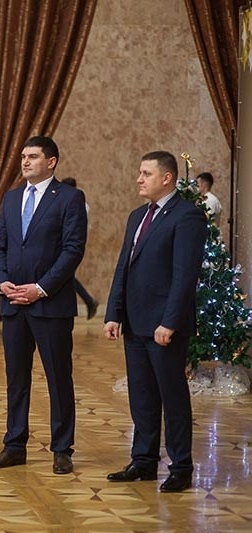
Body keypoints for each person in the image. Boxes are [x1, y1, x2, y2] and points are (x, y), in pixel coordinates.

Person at [103, 151, 207, 493]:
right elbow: (124, 267)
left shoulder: (187, 216)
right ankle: (143, 462)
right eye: (139, 172)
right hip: (134, 323)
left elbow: (185, 275)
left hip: (165, 326)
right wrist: (113, 313)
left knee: (172, 397)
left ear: (167, 178)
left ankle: (181, 467)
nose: (139, 178)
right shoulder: (137, 216)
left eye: (146, 173)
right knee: (142, 396)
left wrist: (170, 322)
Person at [0, 136, 87, 475]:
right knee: (16, 378)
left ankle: (62, 449)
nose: (25, 162)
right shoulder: (12, 198)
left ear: (51, 161)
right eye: (23, 156)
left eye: (32, 156)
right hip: (13, 304)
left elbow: (72, 250)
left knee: (58, 378)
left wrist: (40, 289)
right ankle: (14, 445)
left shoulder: (70, 198)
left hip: (51, 306)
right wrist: (2, 281)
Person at [61, 177, 98, 319]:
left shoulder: (78, 204)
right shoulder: (79, 204)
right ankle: (89, 301)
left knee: (65, 275)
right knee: (66, 276)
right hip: (70, 245)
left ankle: (89, 301)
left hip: (70, 246)